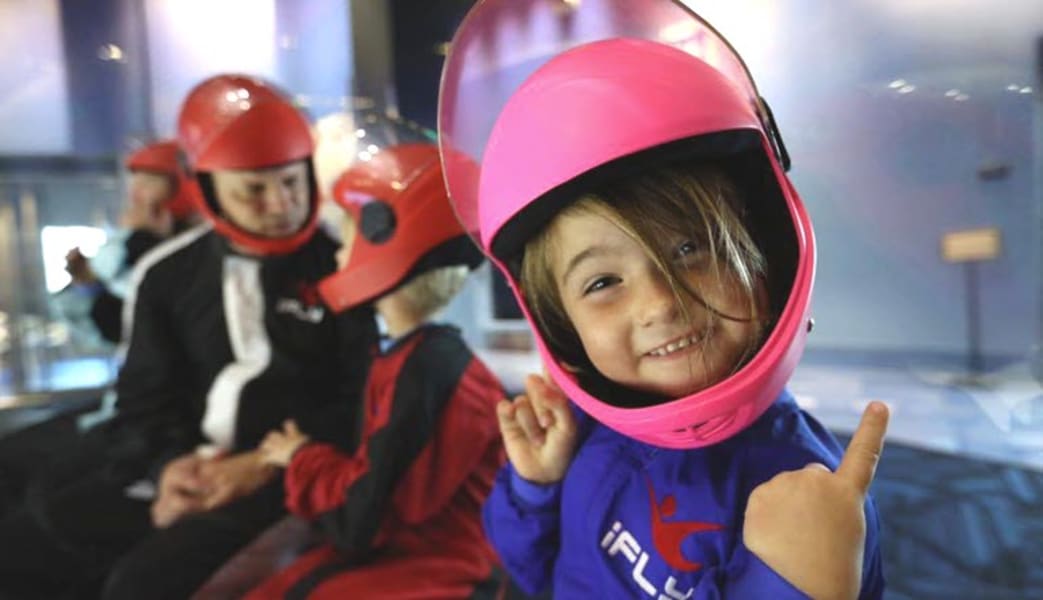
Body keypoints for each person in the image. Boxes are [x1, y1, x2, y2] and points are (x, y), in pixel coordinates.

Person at [437, 2, 886, 598]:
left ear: (765, 252)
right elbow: (536, 573)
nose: (659, 303)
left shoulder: (807, 492)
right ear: (561, 325)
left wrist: (801, 584)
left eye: (691, 248)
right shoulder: (588, 432)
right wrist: (535, 488)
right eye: (602, 283)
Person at [0, 74, 376, 600]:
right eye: (254, 189)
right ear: (208, 188)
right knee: (31, 533)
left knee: (140, 584)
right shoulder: (168, 274)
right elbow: (143, 397)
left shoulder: (340, 264)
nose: (280, 204)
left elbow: (361, 396)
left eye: (291, 182)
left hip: (287, 475)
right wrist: (169, 468)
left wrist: (261, 464)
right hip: (187, 467)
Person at [244, 143, 505, 599]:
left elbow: (364, 518)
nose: (341, 252)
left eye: (348, 239)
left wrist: (301, 457)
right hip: (414, 556)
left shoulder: (429, 369)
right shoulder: (414, 356)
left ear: (386, 237)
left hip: (442, 571)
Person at [64, 139, 201, 344]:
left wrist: (142, 238)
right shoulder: (131, 246)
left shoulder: (195, 247)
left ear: (180, 187)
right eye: (134, 186)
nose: (135, 196)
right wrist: (90, 282)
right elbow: (117, 327)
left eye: (147, 184)